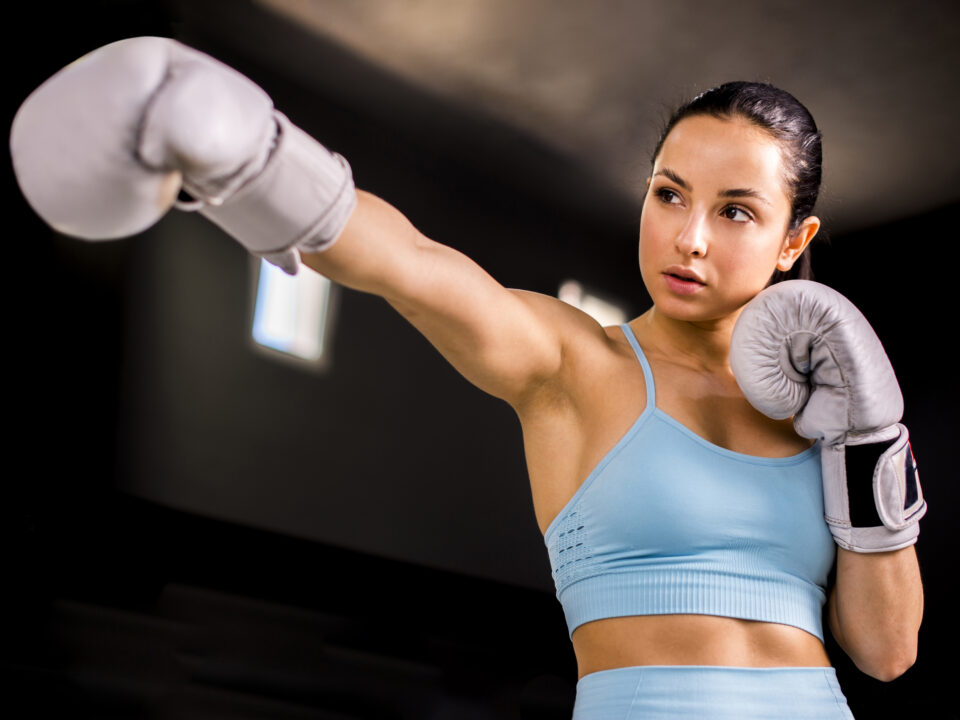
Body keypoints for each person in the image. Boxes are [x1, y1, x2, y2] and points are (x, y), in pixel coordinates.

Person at [11, 37, 927, 719]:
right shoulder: (576, 362)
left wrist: (870, 438)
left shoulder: (831, 416)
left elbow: (885, 654)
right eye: (668, 193)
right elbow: (412, 264)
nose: (688, 236)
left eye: (735, 211)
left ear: (793, 242)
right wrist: (254, 158)